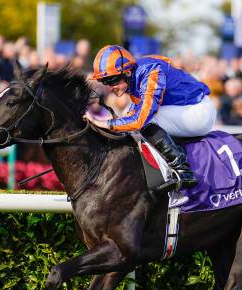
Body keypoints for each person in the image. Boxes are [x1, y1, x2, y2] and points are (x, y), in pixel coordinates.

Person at [85, 45, 217, 190]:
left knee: (145, 121)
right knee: (127, 115)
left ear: (127, 72)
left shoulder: (152, 72)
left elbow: (140, 119)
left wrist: (103, 123)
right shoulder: (134, 77)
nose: (110, 87)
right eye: (105, 82)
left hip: (199, 111)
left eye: (112, 81)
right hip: (183, 109)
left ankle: (182, 170)